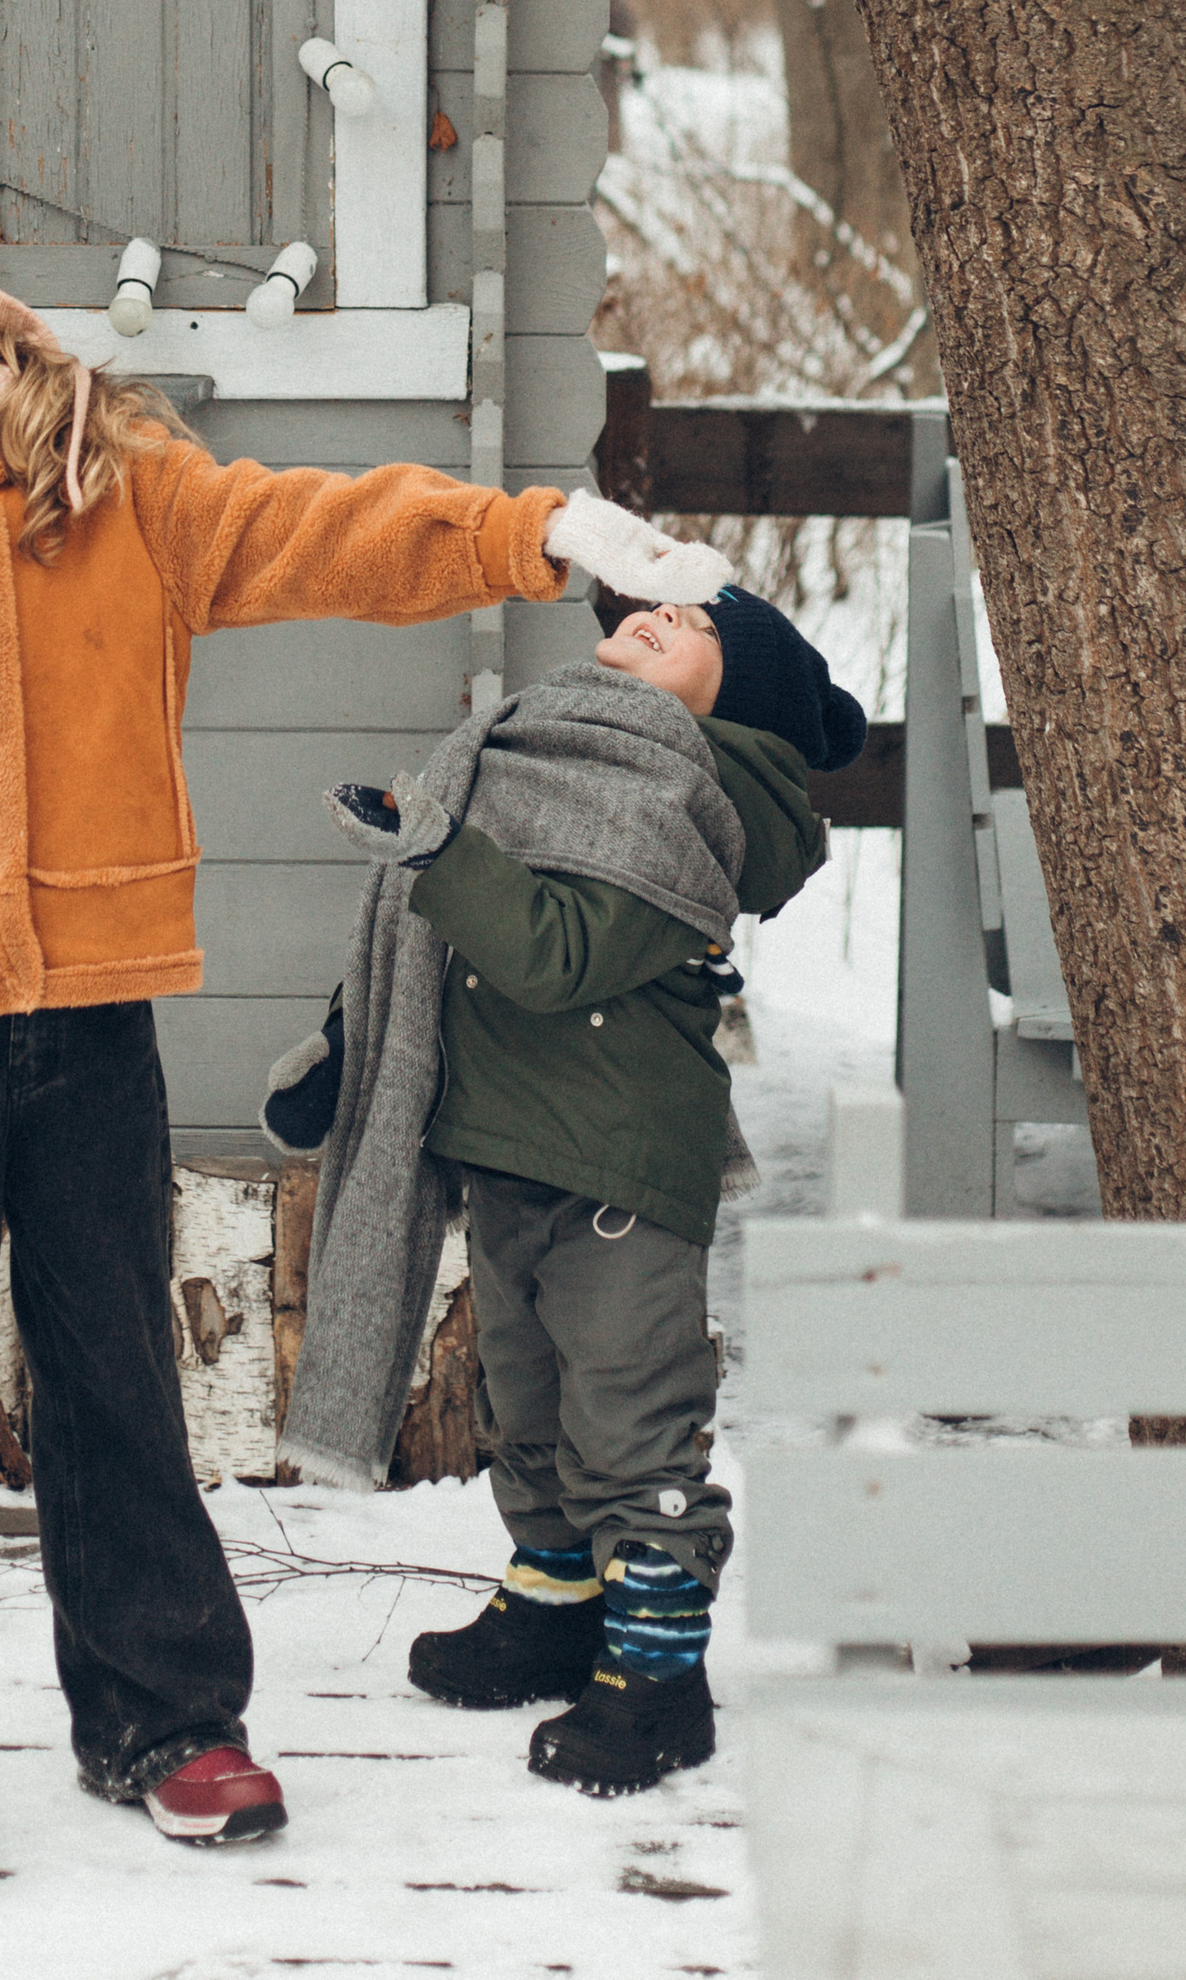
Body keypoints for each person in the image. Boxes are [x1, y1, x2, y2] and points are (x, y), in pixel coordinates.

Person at [0, 241, 718, 1893]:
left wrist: (535, 533)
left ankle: (165, 1722)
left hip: (92, 1021)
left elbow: (331, 532)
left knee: (119, 1382)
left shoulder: (119, 499)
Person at [266, 572, 853, 1797]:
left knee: (631, 1415)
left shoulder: (691, 803)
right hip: (504, 1144)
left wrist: (437, 848)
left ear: (738, 694)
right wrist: (346, 1047)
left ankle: (659, 1674)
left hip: (617, 1157)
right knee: (523, 1405)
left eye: (701, 624)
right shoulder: (546, 750)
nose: (662, 612)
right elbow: (429, 939)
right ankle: (553, 1606)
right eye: (665, 604)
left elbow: (552, 952)